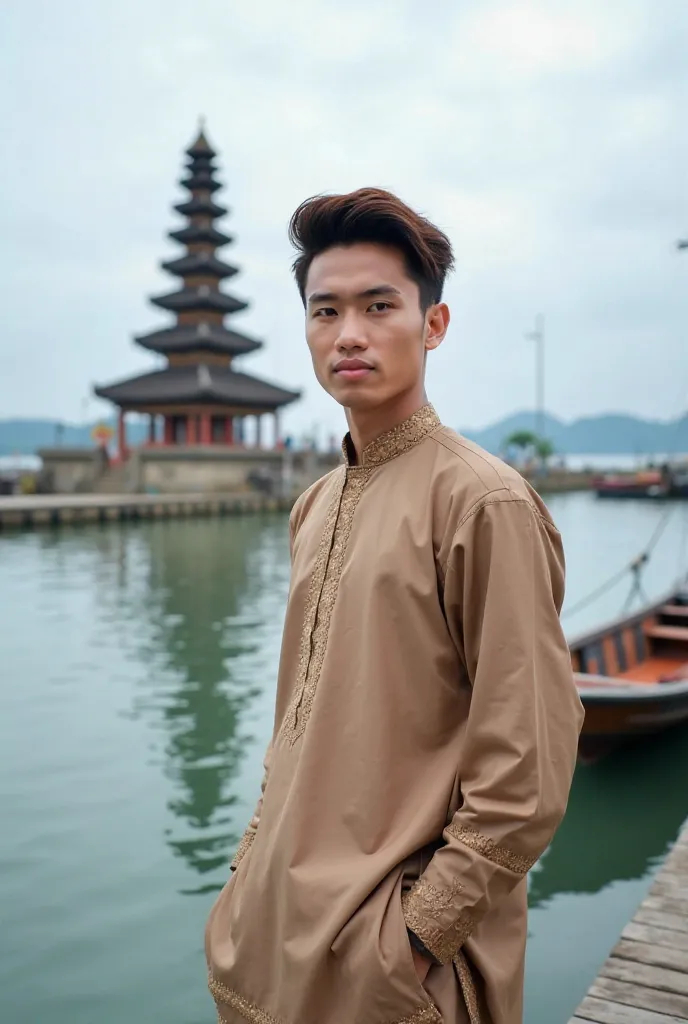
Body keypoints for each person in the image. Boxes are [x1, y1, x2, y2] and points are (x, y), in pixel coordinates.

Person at [206, 188, 584, 1024]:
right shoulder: (315, 503)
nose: (349, 333)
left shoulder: (484, 503)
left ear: (433, 325)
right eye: (325, 310)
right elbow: (296, 725)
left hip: (393, 965)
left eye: (380, 306)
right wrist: (245, 881)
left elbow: (528, 768)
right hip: (274, 934)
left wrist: (413, 939)